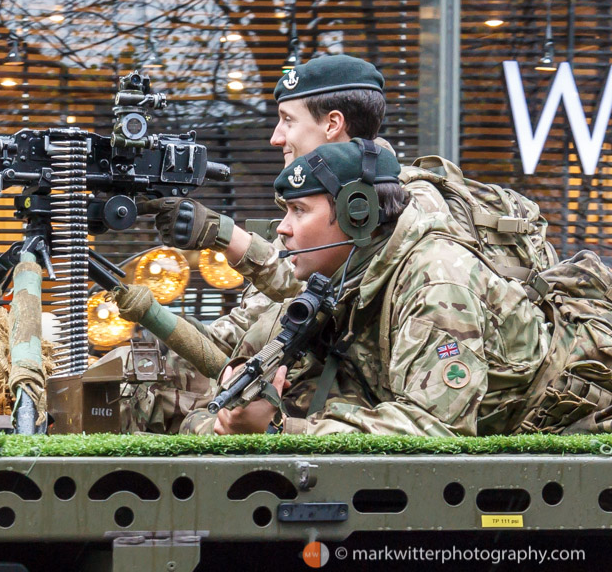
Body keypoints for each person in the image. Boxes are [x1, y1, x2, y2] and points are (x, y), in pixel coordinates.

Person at [186, 140, 551, 436]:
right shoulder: (341, 279)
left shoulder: (437, 280)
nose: (282, 228)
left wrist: (281, 430)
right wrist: (230, 422)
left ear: (356, 215)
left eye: (298, 210)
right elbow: (213, 409)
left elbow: (434, 429)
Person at [117, 56, 392, 432]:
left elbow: (336, 295)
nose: (276, 137)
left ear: (332, 124)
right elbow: (259, 321)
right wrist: (178, 334)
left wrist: (224, 235)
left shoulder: (381, 204)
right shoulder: (315, 196)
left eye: (288, 120)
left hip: (331, 407)